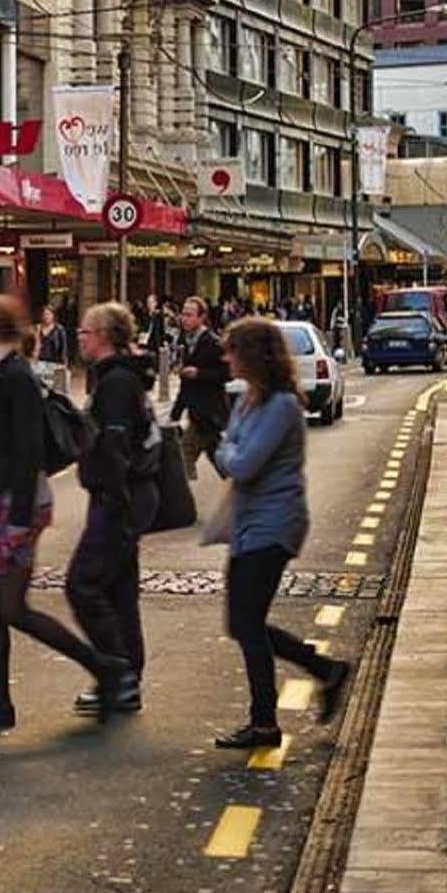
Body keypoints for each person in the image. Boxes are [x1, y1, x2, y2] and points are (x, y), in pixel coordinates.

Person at [0, 294, 129, 730]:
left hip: (16, 504)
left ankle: (100, 668)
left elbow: (27, 447)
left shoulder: (12, 376)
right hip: (5, 503)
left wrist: (12, 516)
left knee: (4, 605)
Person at [211, 318, 350, 750]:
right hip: (249, 522)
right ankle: (325, 670)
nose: (226, 358)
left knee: (247, 623)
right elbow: (227, 453)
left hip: (274, 523)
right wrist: (229, 450)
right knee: (241, 623)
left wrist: (228, 449)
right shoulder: (249, 400)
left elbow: (240, 461)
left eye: (232, 350)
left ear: (251, 354)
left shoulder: (282, 406)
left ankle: (265, 724)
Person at [67, 303, 156, 715]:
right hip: (122, 498)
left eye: (85, 332)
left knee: (83, 584)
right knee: (119, 591)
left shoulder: (117, 382)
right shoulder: (117, 378)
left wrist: (115, 502)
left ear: (103, 335)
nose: (79, 337)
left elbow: (117, 447)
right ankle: (127, 682)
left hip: (118, 499)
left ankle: (115, 673)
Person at [171, 296, 231, 478]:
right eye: (183, 314)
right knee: (219, 457)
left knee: (183, 456)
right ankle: (245, 483)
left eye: (189, 315)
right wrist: (176, 412)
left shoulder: (213, 342)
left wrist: (200, 374)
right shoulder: (186, 341)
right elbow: (186, 383)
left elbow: (228, 373)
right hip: (198, 413)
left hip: (209, 411)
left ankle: (181, 499)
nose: (184, 318)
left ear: (201, 317)